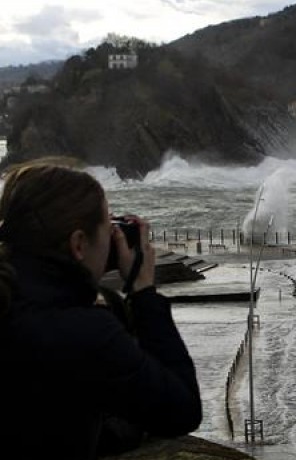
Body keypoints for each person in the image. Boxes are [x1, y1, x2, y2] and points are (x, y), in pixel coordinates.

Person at [0, 159, 202, 459]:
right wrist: (143, 291)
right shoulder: (81, 331)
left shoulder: (15, 298)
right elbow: (181, 409)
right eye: (108, 227)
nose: (113, 240)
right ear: (79, 244)